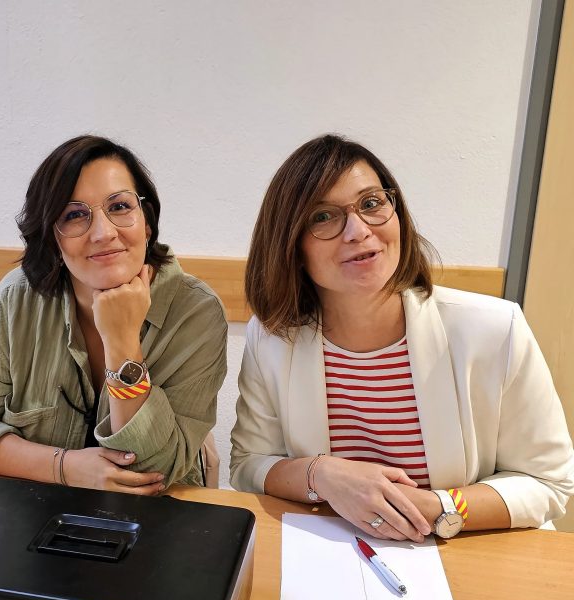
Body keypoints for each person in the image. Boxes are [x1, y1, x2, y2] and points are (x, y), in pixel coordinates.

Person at [230, 134, 574, 541]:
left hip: (463, 552)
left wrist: (439, 507)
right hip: (333, 552)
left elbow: (548, 482)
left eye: (371, 203)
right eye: (323, 216)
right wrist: (321, 474)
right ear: (292, 246)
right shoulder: (273, 338)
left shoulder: (495, 328)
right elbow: (249, 464)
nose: (358, 231)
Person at [0, 135, 227, 493]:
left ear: (147, 223)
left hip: (161, 512)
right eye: (74, 215)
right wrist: (65, 467)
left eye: (119, 206)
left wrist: (122, 342)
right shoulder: (11, 303)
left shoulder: (196, 312)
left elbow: (155, 469)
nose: (104, 233)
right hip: (33, 505)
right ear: (53, 239)